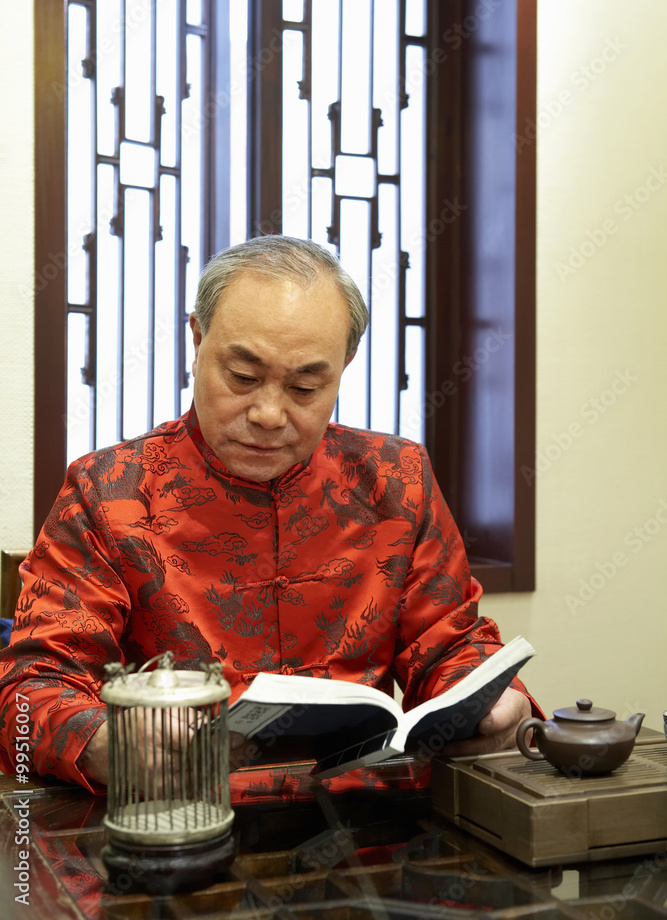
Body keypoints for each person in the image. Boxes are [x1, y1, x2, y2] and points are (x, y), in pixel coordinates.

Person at [0, 236, 536, 791]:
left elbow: (449, 644)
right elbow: (30, 687)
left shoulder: (397, 481)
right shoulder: (109, 491)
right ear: (197, 339)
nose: (268, 413)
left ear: (344, 367)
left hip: (364, 829)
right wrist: (102, 741)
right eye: (243, 377)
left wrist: (497, 703)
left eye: (305, 386)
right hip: (180, 822)